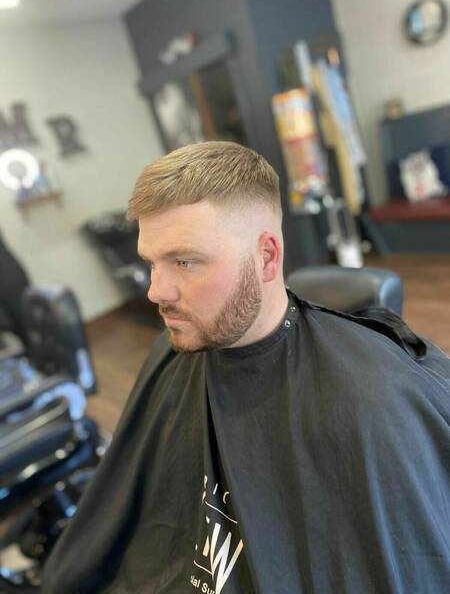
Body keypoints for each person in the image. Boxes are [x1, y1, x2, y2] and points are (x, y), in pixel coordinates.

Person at [42, 142, 450, 593]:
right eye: (152, 263)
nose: (156, 291)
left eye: (184, 261)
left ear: (267, 257)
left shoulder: (373, 401)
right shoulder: (171, 354)